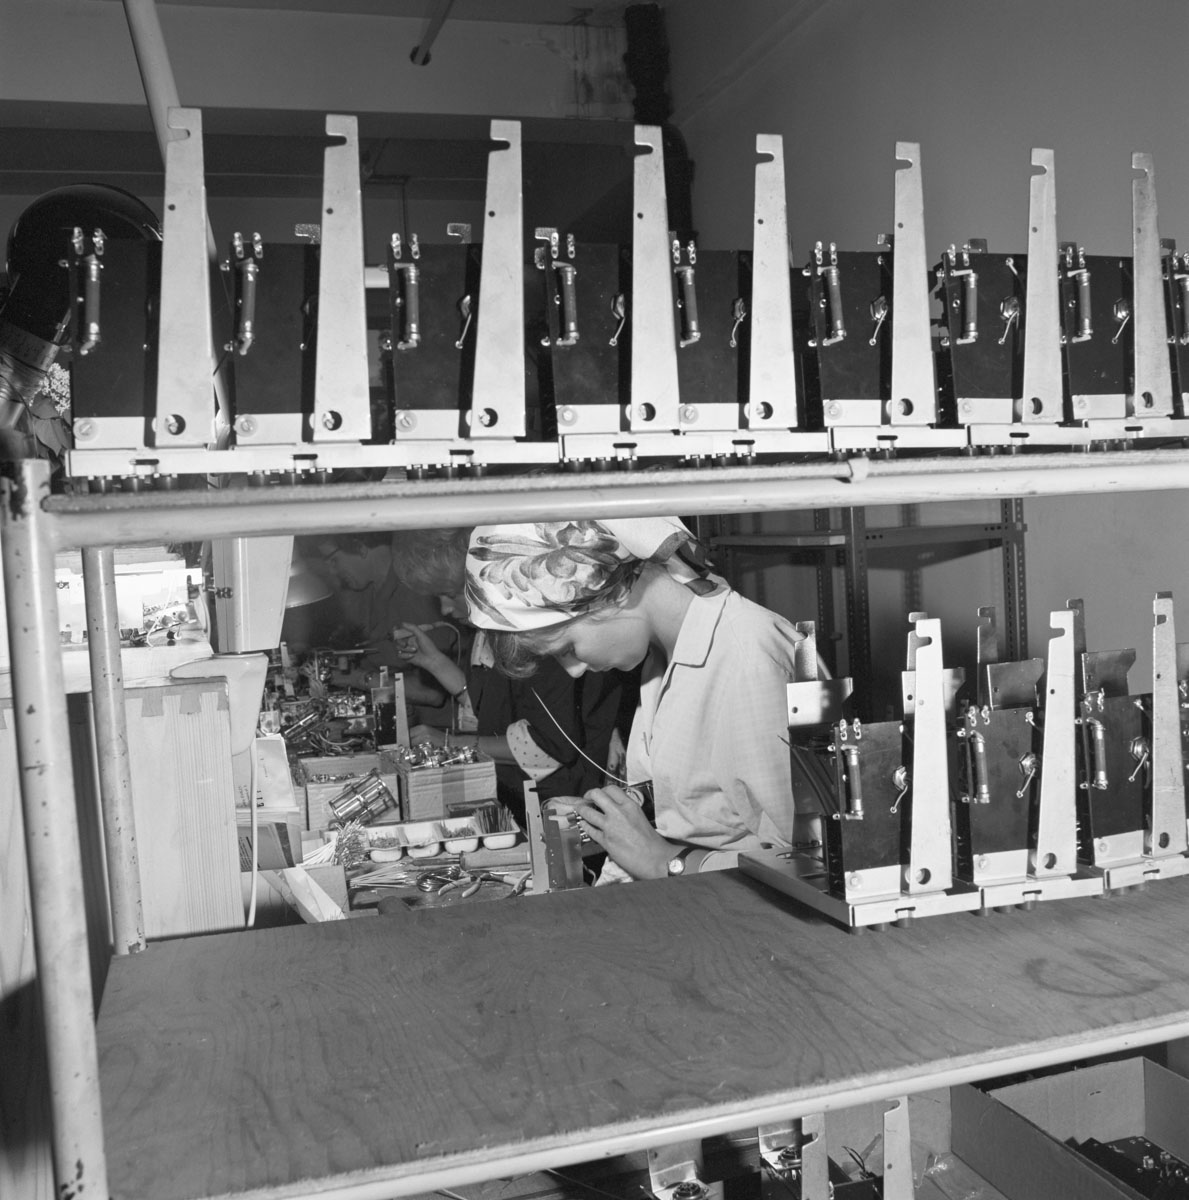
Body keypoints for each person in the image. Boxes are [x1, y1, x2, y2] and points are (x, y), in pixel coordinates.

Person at [464, 517, 811, 880]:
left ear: (613, 593)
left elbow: (809, 864)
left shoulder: (748, 660)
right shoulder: (664, 655)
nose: (574, 670)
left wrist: (663, 860)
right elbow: (704, 803)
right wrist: (615, 818)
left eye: (568, 647)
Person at [390, 527, 635, 832]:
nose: (445, 609)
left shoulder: (538, 641)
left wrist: (450, 743)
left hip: (568, 809)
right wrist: (435, 663)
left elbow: (546, 747)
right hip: (519, 799)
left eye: (450, 594)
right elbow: (493, 707)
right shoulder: (491, 635)